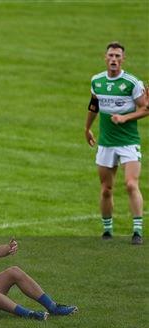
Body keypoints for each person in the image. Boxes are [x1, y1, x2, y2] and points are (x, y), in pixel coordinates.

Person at [84, 42, 146, 245]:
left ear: (123, 59)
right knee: (106, 189)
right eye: (111, 55)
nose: (114, 59)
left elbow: (145, 108)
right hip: (106, 143)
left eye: (118, 56)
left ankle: (137, 230)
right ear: (105, 57)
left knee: (130, 184)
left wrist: (125, 118)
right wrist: (87, 128)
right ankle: (107, 230)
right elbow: (94, 105)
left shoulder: (131, 83)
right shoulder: (97, 81)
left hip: (128, 142)